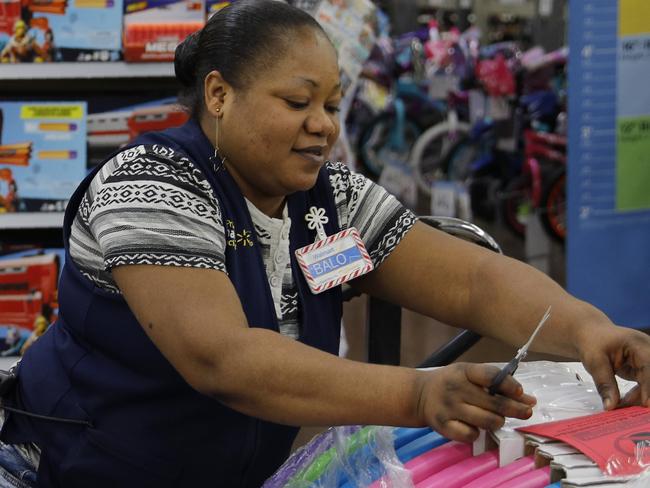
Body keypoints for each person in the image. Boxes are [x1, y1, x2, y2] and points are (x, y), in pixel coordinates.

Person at [1, 1, 649, 486]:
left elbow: (470, 280)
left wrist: (590, 329)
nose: (322, 124)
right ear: (219, 94)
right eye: (298, 101)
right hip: (76, 469)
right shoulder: (150, 185)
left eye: (333, 104)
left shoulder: (329, 198)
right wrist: (417, 394)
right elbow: (222, 359)